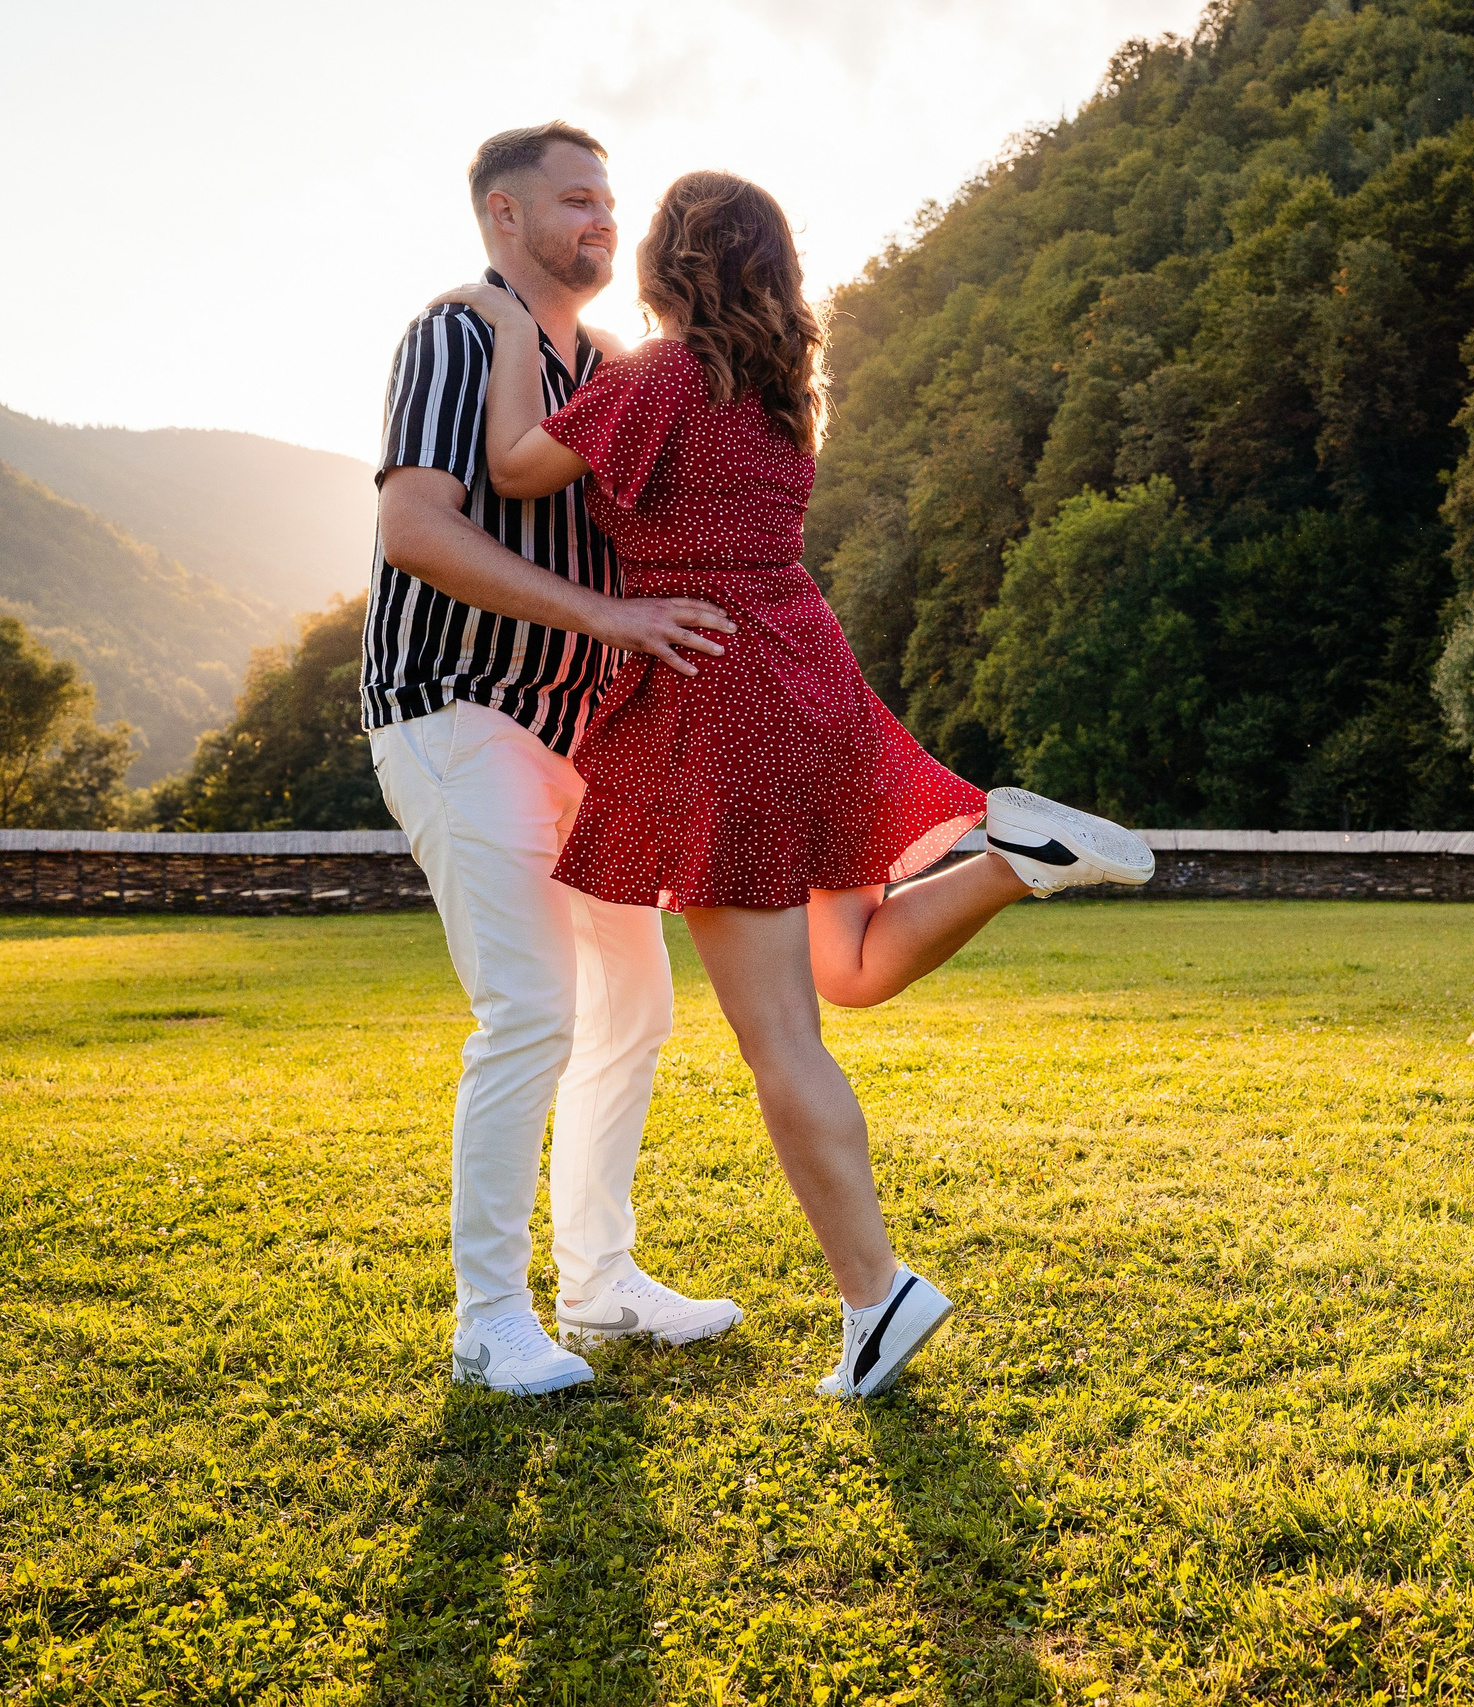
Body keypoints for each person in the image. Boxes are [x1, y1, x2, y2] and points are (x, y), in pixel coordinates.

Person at [435, 169, 1153, 1401]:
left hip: (718, 695)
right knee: (851, 966)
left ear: (669, 261)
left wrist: (510, 325)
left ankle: (876, 1294)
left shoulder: (656, 381)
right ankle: (1008, 866)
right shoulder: (781, 395)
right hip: (810, 678)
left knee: (782, 1041)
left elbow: (506, 469)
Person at [367, 123, 751, 1398]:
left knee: (633, 1007)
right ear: (501, 214)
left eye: (609, 201)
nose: (600, 218)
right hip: (457, 708)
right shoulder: (458, 332)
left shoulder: (603, 367)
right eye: (573, 200)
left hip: (583, 736)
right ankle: (489, 1318)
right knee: (531, 1009)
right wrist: (611, 618)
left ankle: (599, 1281)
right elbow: (416, 530)